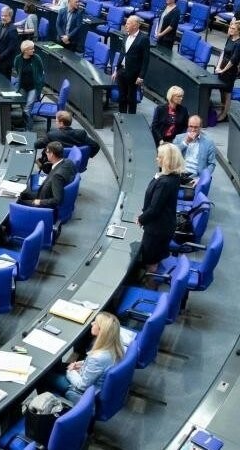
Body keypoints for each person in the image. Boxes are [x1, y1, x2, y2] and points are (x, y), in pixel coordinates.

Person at [50, 312, 124, 403]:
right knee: (57, 367)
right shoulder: (116, 343)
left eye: (95, 322)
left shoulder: (97, 358)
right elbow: (99, 366)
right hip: (94, 381)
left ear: (101, 330)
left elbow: (82, 385)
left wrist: (70, 371)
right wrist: (82, 364)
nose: (92, 323)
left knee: (46, 376)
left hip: (81, 393)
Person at [137, 143, 184, 273]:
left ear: (167, 160)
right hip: (165, 225)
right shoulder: (172, 177)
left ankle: (151, 286)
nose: (157, 159)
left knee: (151, 261)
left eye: (159, 157)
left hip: (157, 230)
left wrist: (141, 219)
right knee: (154, 257)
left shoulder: (164, 183)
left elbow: (154, 209)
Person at [34, 110, 101, 172]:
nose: (56, 123)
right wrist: (84, 156)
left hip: (54, 167)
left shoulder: (52, 135)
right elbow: (96, 146)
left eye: (56, 121)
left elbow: (37, 145)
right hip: (75, 166)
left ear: (61, 123)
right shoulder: (81, 134)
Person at [19, 141, 76, 212]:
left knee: (18, 202)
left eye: (47, 151)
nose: (46, 153)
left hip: (44, 203)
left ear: (52, 154)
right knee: (21, 194)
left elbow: (57, 200)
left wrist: (39, 202)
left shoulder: (57, 177)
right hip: (44, 193)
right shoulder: (68, 162)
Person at [112, 15, 149, 114]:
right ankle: (122, 119)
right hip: (121, 71)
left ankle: (131, 120)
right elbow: (122, 54)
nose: (125, 25)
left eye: (128, 23)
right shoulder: (126, 35)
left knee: (131, 98)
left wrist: (141, 76)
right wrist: (116, 70)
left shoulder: (143, 39)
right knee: (122, 96)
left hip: (133, 74)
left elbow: (146, 60)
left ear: (135, 25)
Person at [12, 40, 44, 127]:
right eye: (31, 49)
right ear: (25, 50)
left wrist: (40, 83)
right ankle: (24, 123)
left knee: (28, 107)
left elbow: (41, 72)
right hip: (22, 86)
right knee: (23, 106)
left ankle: (28, 128)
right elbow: (17, 70)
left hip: (33, 87)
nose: (33, 50)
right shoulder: (18, 59)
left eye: (33, 48)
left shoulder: (37, 58)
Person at [215, 21, 240, 122]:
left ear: (239, 32)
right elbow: (223, 52)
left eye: (233, 29)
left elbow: (233, 60)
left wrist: (223, 70)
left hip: (230, 71)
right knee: (221, 90)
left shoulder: (238, 44)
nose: (230, 29)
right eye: (230, 27)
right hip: (222, 68)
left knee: (227, 92)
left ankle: (225, 114)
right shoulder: (229, 38)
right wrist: (218, 66)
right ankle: (222, 109)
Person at [0, 6, 19, 78]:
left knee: (5, 83)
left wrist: (0, 57)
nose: (3, 18)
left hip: (6, 61)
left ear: (10, 16)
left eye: (5, 16)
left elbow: (11, 47)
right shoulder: (0, 25)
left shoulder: (13, 29)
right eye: (2, 15)